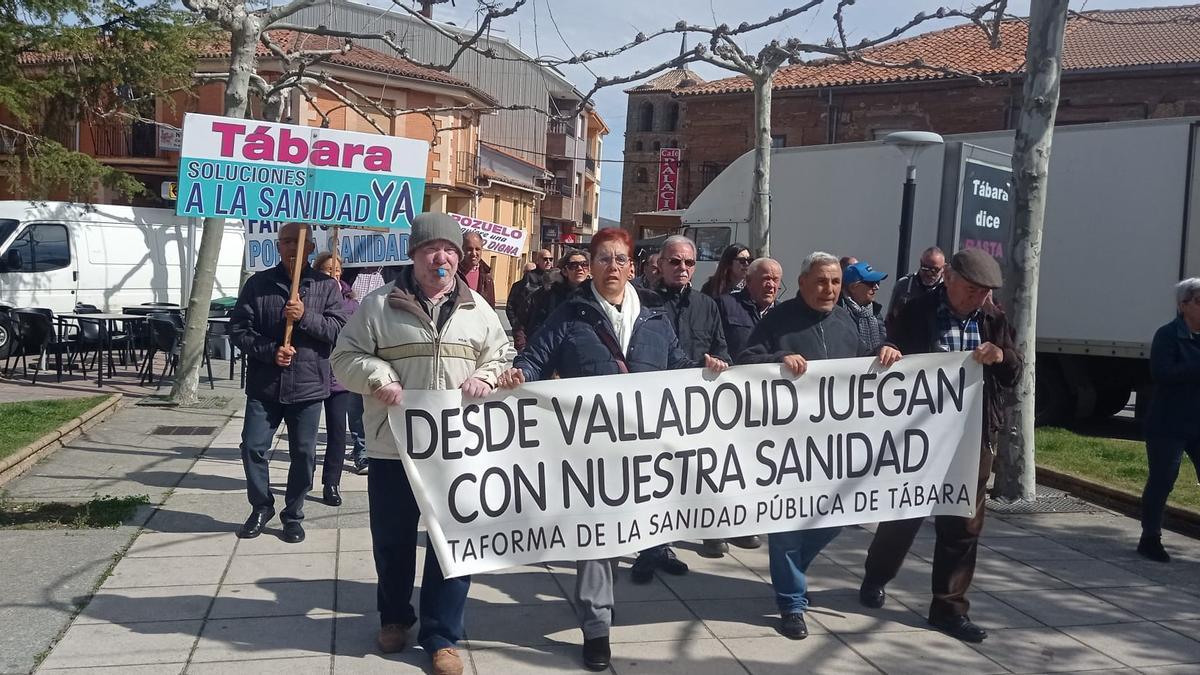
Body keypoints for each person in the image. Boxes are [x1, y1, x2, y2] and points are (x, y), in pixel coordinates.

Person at [496, 227, 728, 672]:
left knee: (642, 528)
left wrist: (708, 370)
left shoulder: (656, 320)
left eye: (620, 260)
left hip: (647, 455)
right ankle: (596, 625)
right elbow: (534, 360)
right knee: (596, 540)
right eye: (603, 260)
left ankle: (648, 559)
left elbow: (678, 370)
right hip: (592, 455)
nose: (612, 268)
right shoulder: (568, 317)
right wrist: (517, 374)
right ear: (591, 266)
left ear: (634, 267)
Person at [331, 213, 514, 675]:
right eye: (432, 249)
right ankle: (394, 618)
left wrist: (486, 375)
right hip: (394, 449)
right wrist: (378, 376)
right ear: (414, 255)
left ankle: (441, 636)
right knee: (392, 542)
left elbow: (501, 354)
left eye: (450, 250)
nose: (442, 257)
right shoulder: (377, 306)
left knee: (452, 545)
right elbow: (344, 357)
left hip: (456, 451)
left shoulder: (479, 310)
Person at [859, 249, 1020, 644]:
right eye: (969, 289)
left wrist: (999, 355)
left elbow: (1014, 369)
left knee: (963, 523)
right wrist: (890, 352)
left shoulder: (993, 318)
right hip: (918, 435)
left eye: (983, 292)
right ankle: (876, 576)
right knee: (903, 515)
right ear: (948, 279)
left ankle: (949, 608)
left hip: (971, 436)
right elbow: (890, 347)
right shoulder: (916, 309)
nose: (976, 298)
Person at [739, 251, 901, 640]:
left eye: (835, 283)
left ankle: (791, 568)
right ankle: (792, 602)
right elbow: (746, 359)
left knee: (841, 515)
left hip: (837, 447)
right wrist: (780, 358)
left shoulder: (849, 320)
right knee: (786, 524)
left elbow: (864, 368)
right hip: (787, 446)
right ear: (802, 283)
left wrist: (885, 355)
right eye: (821, 282)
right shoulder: (778, 319)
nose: (829, 289)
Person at [229, 222, 347, 544]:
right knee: (253, 447)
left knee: (304, 453)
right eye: (286, 242)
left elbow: (338, 332)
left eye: (300, 242)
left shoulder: (326, 287)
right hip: (265, 386)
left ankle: (293, 515)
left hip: (308, 386)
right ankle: (261, 506)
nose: (293, 248)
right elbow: (239, 329)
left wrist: (305, 315)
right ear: (278, 246)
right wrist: (270, 351)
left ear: (311, 247)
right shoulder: (258, 284)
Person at [651, 235, 754, 560]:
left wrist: (721, 363)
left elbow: (720, 345)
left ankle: (712, 530)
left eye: (689, 262)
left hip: (699, 402)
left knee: (706, 469)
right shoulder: (643, 302)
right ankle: (656, 544)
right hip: (656, 402)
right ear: (661, 264)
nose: (682, 268)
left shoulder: (707, 305)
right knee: (660, 473)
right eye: (675, 261)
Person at [1138, 277, 1200, 563]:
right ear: (1183, 305)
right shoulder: (1168, 335)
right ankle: (1150, 537)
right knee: (1163, 480)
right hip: (1169, 423)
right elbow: (1162, 373)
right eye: (1199, 301)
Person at [313, 252, 359, 503]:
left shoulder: (351, 303)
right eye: (326, 270)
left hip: (339, 377)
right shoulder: (306, 297)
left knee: (338, 432)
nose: (333, 274)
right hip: (310, 374)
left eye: (337, 270)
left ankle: (332, 483)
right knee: (305, 434)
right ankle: (304, 471)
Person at [717, 258, 782, 360]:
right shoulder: (725, 305)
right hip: (735, 374)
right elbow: (716, 346)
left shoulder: (785, 313)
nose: (771, 285)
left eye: (775, 280)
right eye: (766, 279)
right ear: (748, 280)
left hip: (775, 375)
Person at [524, 249, 591, 340]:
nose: (579, 268)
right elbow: (536, 327)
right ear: (564, 271)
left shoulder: (597, 295)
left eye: (584, 265)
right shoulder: (549, 296)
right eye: (573, 265)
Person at [506, 249, 555, 349]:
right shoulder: (528, 279)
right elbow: (512, 306)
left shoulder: (557, 278)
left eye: (551, 259)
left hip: (550, 334)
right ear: (538, 261)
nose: (548, 262)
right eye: (545, 259)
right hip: (530, 332)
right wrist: (517, 328)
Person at [840, 261, 889, 353]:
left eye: (877, 282)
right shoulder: (839, 313)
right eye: (871, 283)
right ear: (853, 287)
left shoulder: (875, 311)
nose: (876, 287)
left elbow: (883, 342)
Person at [887, 246, 945, 323]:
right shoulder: (904, 285)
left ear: (943, 268)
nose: (929, 273)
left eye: (935, 270)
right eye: (925, 268)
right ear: (920, 262)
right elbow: (889, 318)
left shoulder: (947, 289)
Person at [457, 231, 495, 307]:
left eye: (477, 249)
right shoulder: (453, 274)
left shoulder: (487, 277)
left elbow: (490, 307)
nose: (474, 253)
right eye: (469, 249)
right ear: (461, 248)